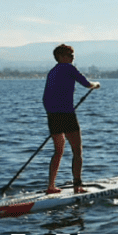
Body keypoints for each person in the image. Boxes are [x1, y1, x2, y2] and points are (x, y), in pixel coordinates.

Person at [43, 44, 99, 194]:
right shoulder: (69, 68)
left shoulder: (52, 71)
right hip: (66, 115)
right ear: (61, 57)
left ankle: (51, 186)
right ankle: (77, 186)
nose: (72, 56)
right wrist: (96, 85)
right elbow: (87, 84)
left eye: (72, 54)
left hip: (52, 115)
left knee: (58, 151)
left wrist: (52, 113)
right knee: (77, 151)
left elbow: (45, 97)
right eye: (69, 54)